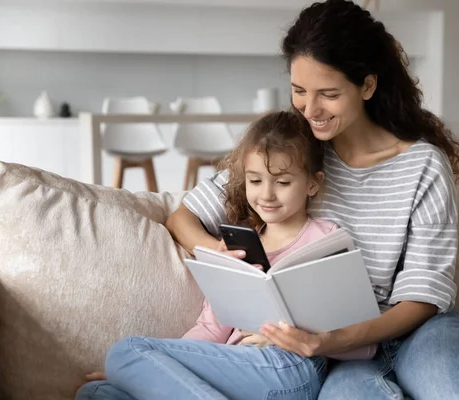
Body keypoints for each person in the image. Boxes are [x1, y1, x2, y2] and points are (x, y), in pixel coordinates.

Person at [167, 1, 459, 399]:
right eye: (299, 91)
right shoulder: (294, 153)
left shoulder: (421, 165)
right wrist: (215, 251)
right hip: (344, 354)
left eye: (328, 94)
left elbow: (423, 296)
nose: (310, 110)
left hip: (414, 330)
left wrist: (329, 339)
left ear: (367, 86)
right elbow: (182, 217)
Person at [76, 110, 375, 400]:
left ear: (313, 183)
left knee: (124, 352)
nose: (267, 194)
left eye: (282, 182)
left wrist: (302, 338)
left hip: (291, 368)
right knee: (97, 393)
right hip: (233, 367)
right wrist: (154, 369)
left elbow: (364, 344)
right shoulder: (237, 246)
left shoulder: (327, 239)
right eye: (255, 181)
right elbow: (210, 328)